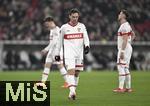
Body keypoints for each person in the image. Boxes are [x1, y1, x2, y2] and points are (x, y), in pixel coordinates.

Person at [55, 8, 90, 100]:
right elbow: (59, 42)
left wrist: (87, 46)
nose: (75, 18)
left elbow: (86, 37)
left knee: (77, 73)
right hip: (69, 53)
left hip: (79, 53)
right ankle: (73, 91)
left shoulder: (82, 26)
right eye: (73, 17)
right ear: (69, 16)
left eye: (77, 17)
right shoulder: (64, 27)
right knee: (71, 71)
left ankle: (72, 93)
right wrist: (57, 53)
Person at [36, 16, 67, 86]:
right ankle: (42, 82)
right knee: (47, 65)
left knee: (60, 66)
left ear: (51, 22)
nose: (46, 26)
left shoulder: (57, 30)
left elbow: (54, 42)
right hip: (51, 52)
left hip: (57, 53)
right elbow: (51, 42)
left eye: (47, 24)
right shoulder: (51, 30)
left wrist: (46, 49)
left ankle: (68, 82)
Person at [113, 9, 136, 93]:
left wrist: (122, 51)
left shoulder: (124, 26)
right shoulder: (127, 25)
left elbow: (125, 39)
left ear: (123, 16)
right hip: (127, 47)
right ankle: (128, 88)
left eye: (120, 14)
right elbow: (133, 35)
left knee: (120, 66)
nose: (118, 15)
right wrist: (129, 43)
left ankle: (120, 88)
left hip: (124, 48)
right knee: (126, 67)